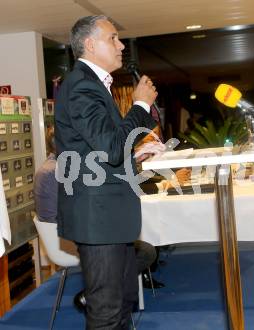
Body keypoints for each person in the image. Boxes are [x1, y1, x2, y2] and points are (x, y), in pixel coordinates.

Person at [54, 15, 160, 329]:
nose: (121, 44)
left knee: (122, 302)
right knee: (107, 311)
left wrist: (136, 154)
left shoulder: (93, 85)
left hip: (109, 217)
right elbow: (111, 147)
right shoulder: (82, 86)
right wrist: (140, 106)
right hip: (98, 219)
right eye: (113, 38)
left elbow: (99, 153)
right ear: (89, 44)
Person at [34, 127, 164, 313]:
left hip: (68, 233)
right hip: (68, 240)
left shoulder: (55, 166)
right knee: (144, 251)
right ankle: (94, 294)